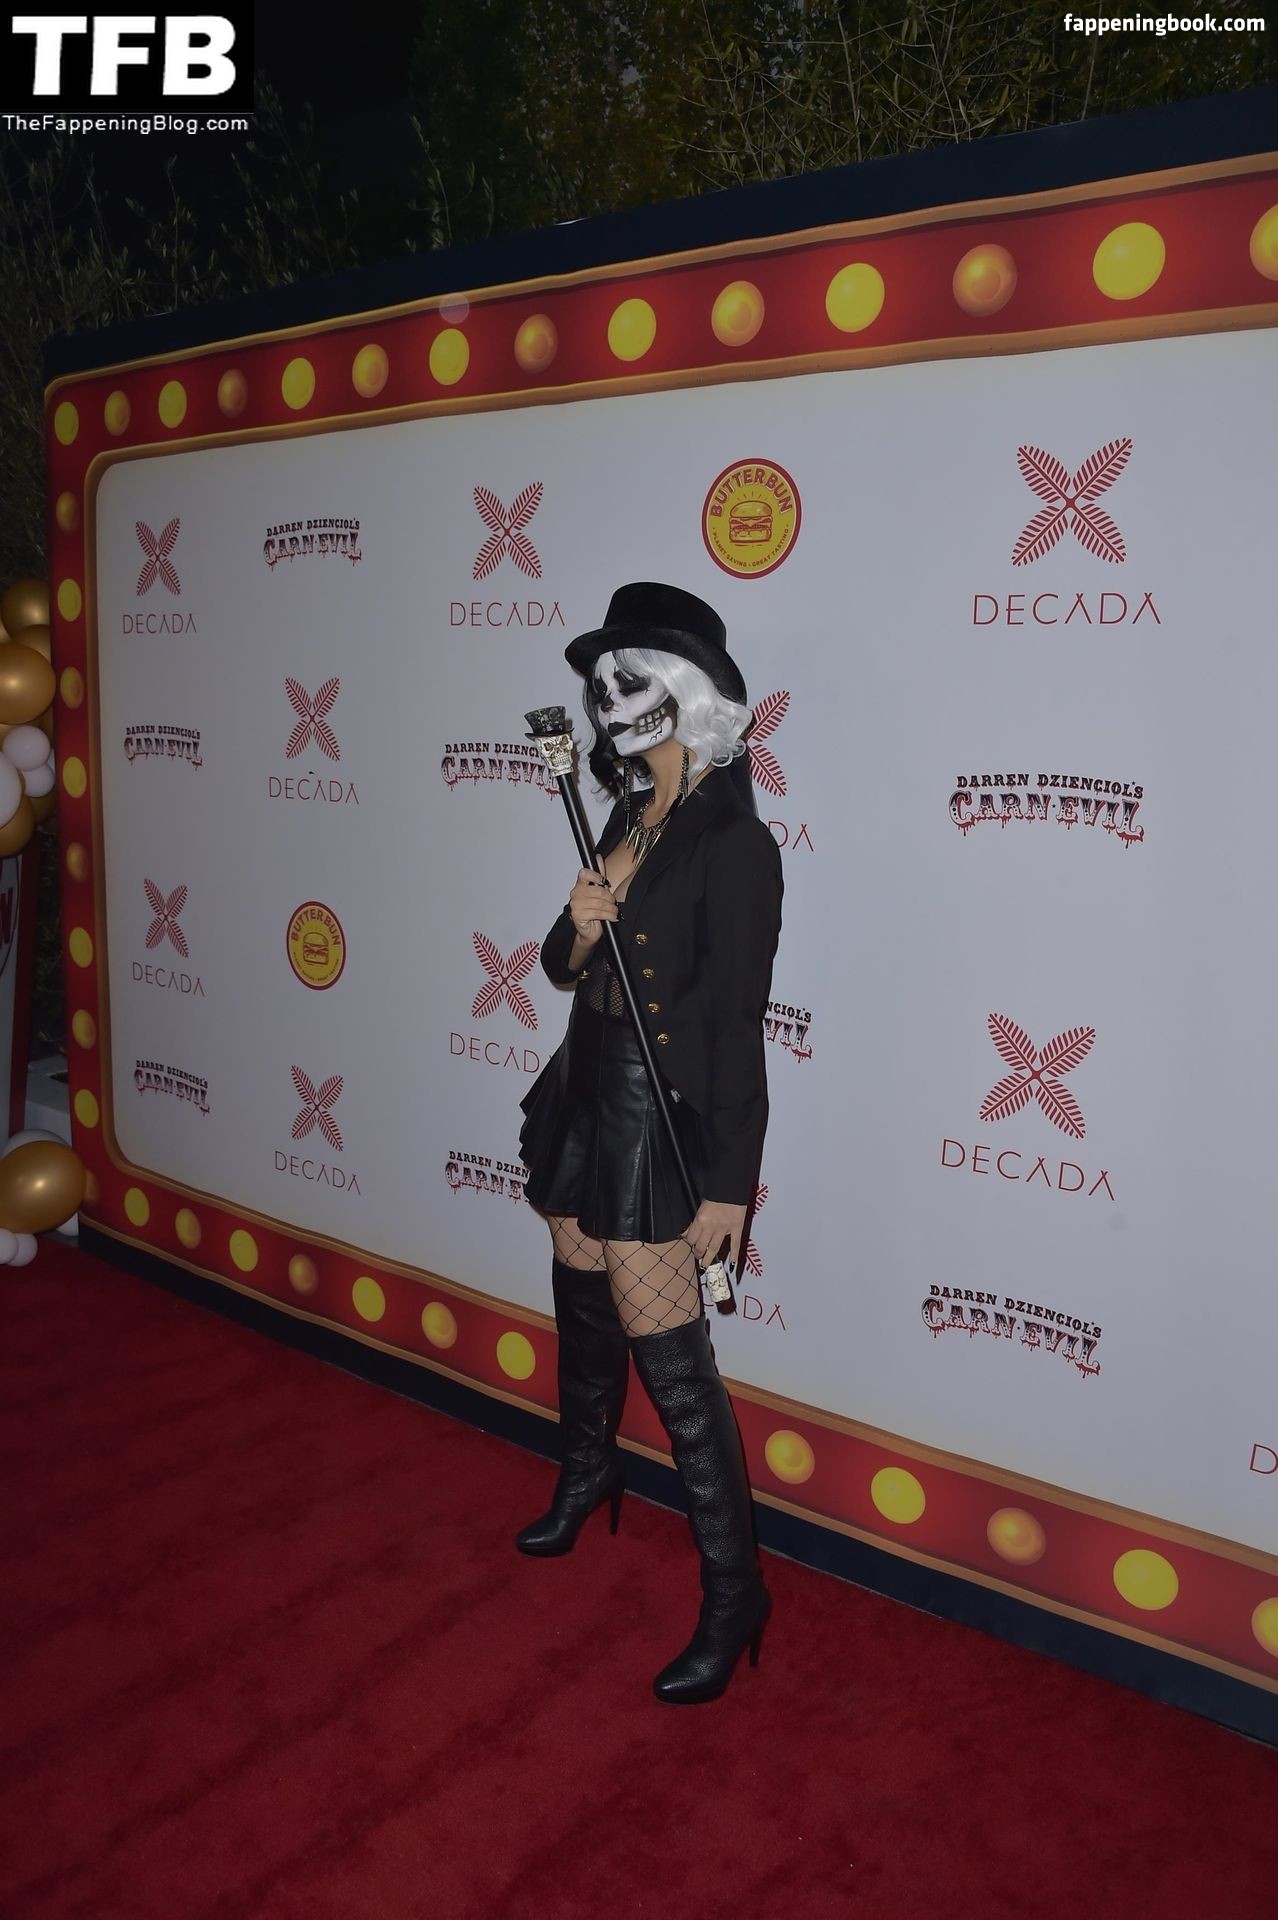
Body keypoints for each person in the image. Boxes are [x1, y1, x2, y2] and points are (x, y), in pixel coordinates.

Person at [516, 580, 783, 1704]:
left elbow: (734, 1023)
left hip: (653, 1113)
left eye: (631, 681)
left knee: (673, 1362)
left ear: (683, 695)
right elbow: (559, 967)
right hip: (584, 1084)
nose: (609, 702)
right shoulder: (629, 816)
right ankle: (587, 1476)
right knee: (579, 1299)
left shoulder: (734, 841)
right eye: (603, 685)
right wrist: (579, 929)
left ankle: (735, 1591)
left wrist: (728, 1186)